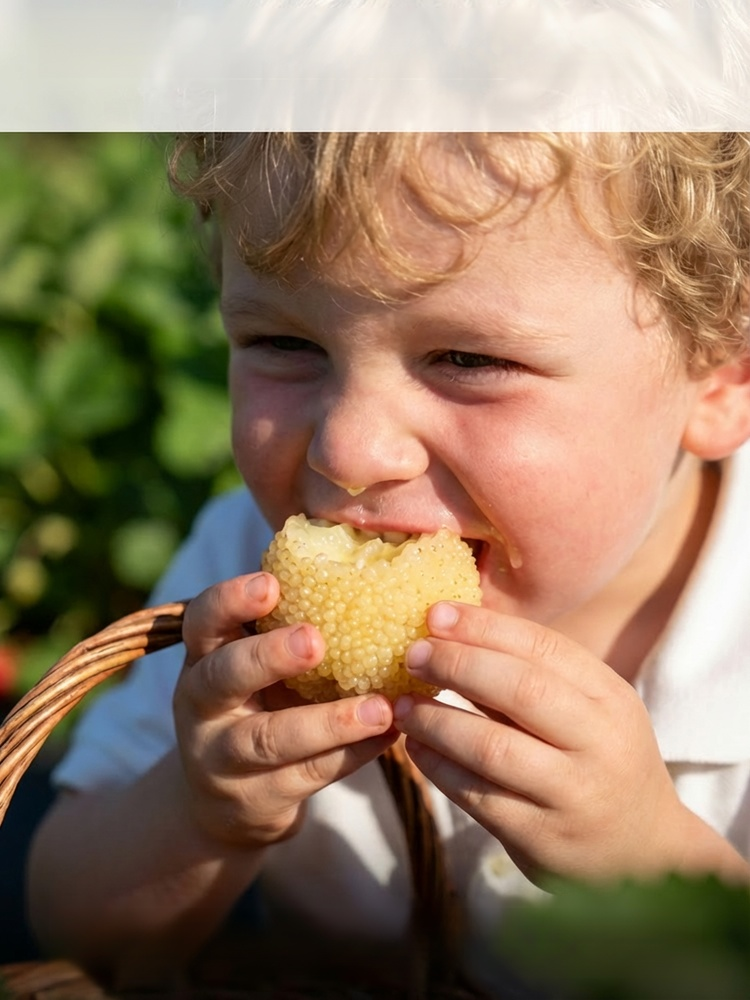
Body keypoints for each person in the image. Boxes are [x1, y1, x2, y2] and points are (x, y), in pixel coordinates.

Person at [27, 133, 750, 996]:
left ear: (722, 377)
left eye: (469, 360)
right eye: (284, 343)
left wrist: (655, 862)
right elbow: (74, 924)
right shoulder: (241, 568)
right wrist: (197, 810)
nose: (348, 450)